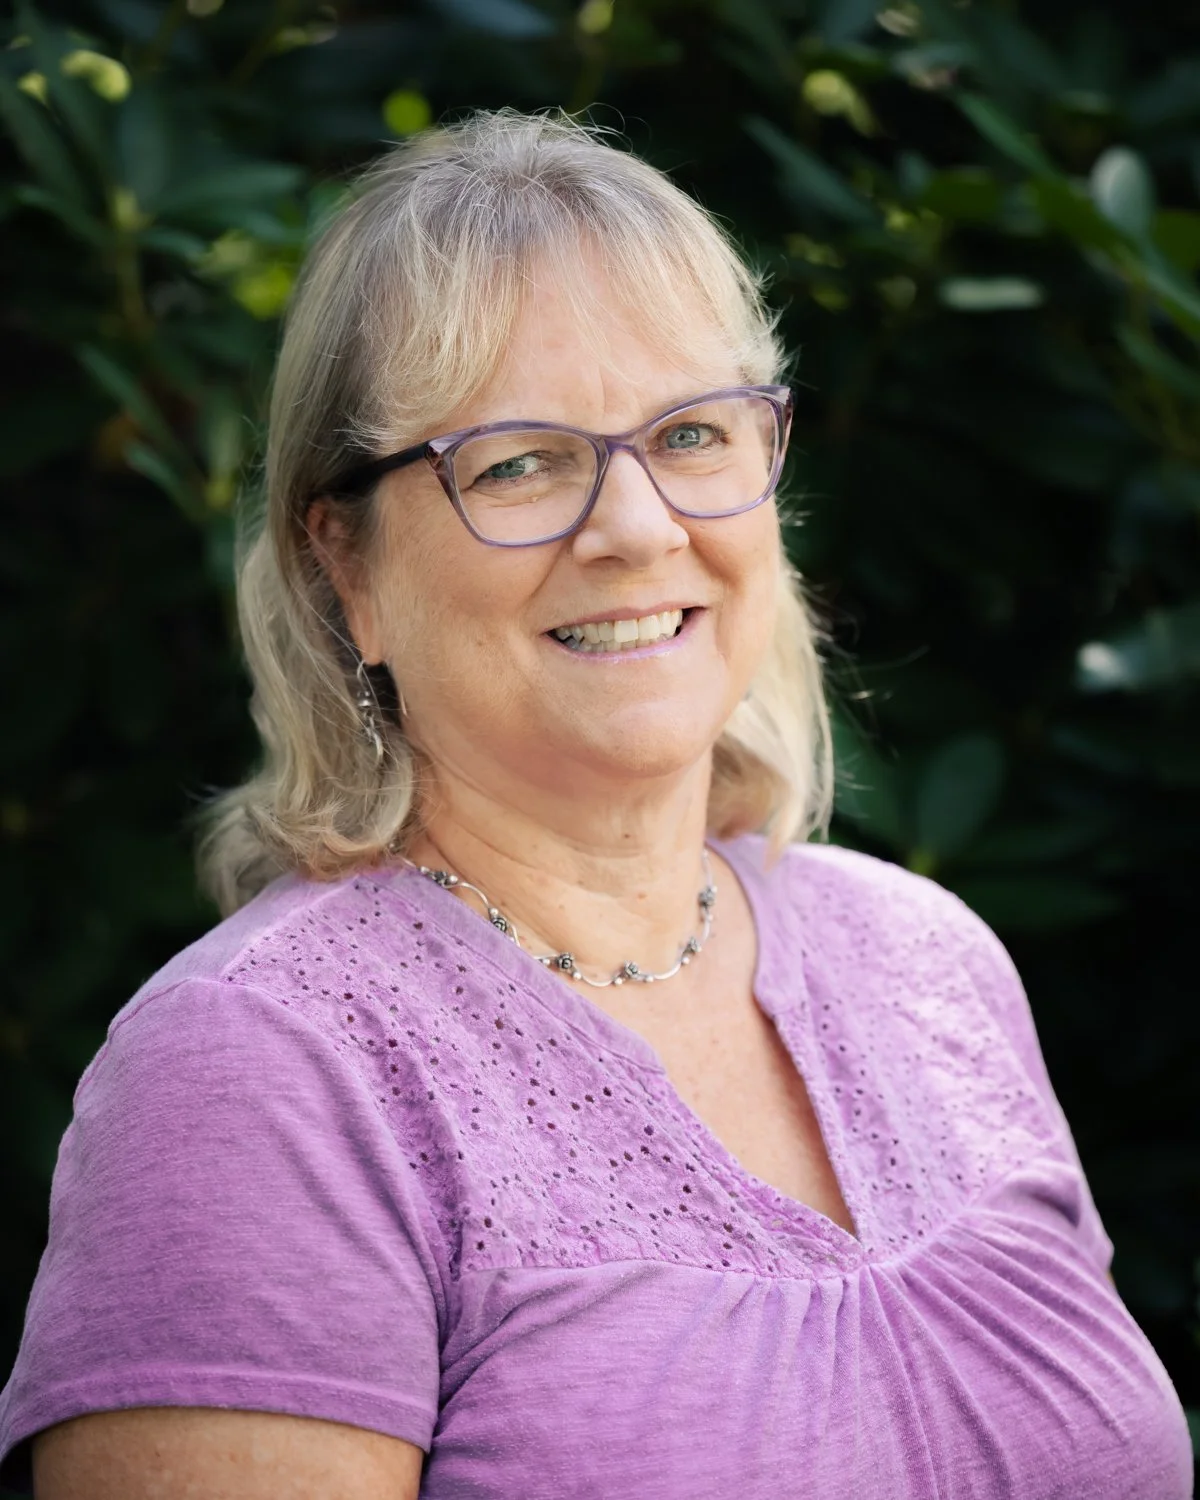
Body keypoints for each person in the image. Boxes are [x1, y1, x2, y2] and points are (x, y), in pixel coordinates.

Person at [0, 109, 1191, 1500]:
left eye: (691, 433)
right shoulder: (261, 1073)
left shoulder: (930, 959)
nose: (637, 528)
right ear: (346, 570)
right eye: (518, 461)